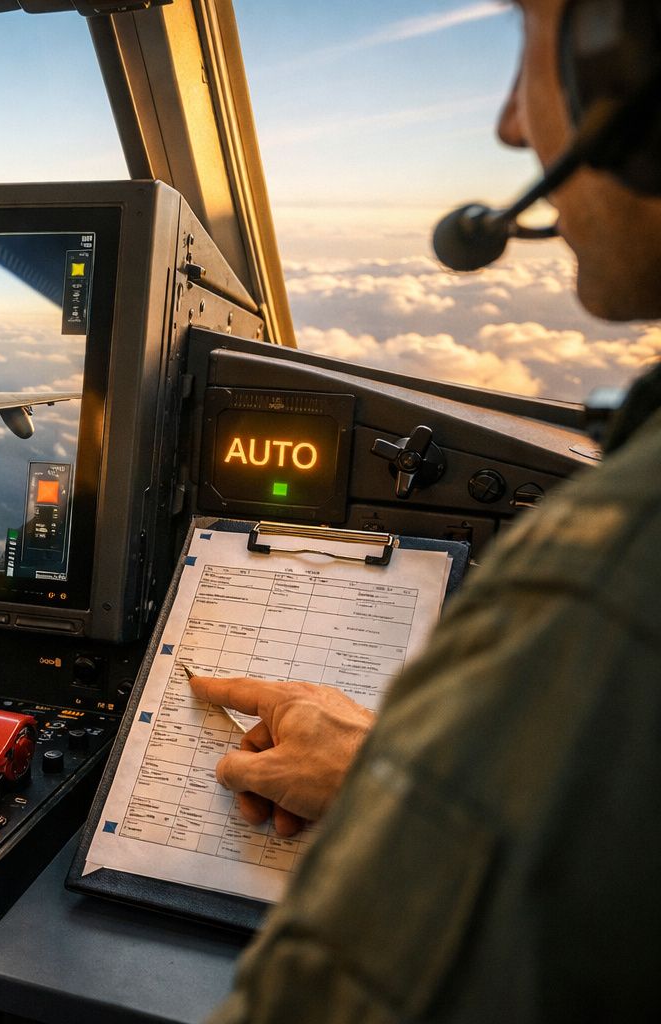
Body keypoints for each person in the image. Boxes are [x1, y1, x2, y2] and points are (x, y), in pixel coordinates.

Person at [192, 0, 661, 1019]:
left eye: (527, 47)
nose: (508, 125)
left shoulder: (609, 576)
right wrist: (423, 785)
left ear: (631, 66)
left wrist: (427, 816)